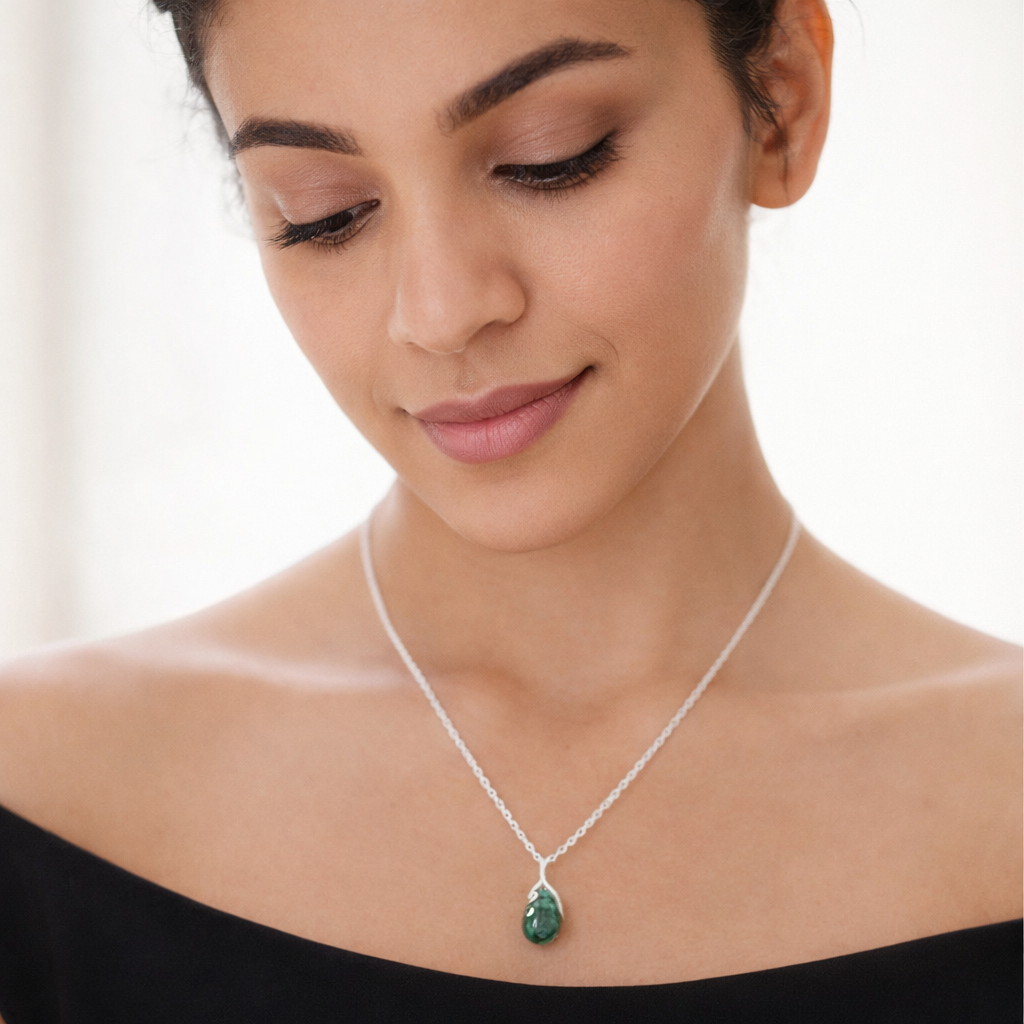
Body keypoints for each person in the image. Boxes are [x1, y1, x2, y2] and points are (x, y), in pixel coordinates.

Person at [0, 0, 1019, 1019]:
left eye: (549, 159)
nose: (439, 313)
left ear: (782, 106)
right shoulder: (35, 790)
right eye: (323, 211)